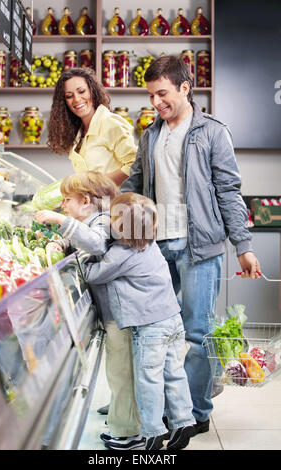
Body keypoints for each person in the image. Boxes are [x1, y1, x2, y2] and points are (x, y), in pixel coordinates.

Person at [120, 55, 262, 435]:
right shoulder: (151, 134)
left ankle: (197, 412)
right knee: (158, 333)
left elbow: (230, 192)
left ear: (185, 88)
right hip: (156, 249)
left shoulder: (213, 132)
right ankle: (173, 409)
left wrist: (244, 246)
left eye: (162, 93)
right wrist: (103, 212)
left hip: (200, 246)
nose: (155, 102)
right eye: (150, 95)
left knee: (198, 333)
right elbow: (133, 185)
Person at [34, 172, 142, 449]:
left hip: (121, 313)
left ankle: (129, 433)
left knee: (122, 372)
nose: (63, 206)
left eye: (67, 200)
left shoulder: (103, 221)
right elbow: (79, 243)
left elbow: (94, 244)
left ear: (85, 201)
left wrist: (62, 222)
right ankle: (121, 420)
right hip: (112, 313)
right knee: (116, 370)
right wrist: (60, 242)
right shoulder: (90, 220)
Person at [84, 192, 196, 450]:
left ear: (121, 227)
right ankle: (183, 421)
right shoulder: (150, 244)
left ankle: (153, 432)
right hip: (172, 320)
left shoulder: (122, 254)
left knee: (149, 379)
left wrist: (83, 254)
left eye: (112, 219)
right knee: (173, 373)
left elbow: (93, 274)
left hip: (150, 328)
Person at [48, 67, 136, 187]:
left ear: (92, 91)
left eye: (81, 91)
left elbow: (134, 165)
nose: (76, 99)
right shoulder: (78, 132)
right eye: (69, 96)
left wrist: (96, 185)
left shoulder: (110, 123)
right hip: (95, 204)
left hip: (116, 203)